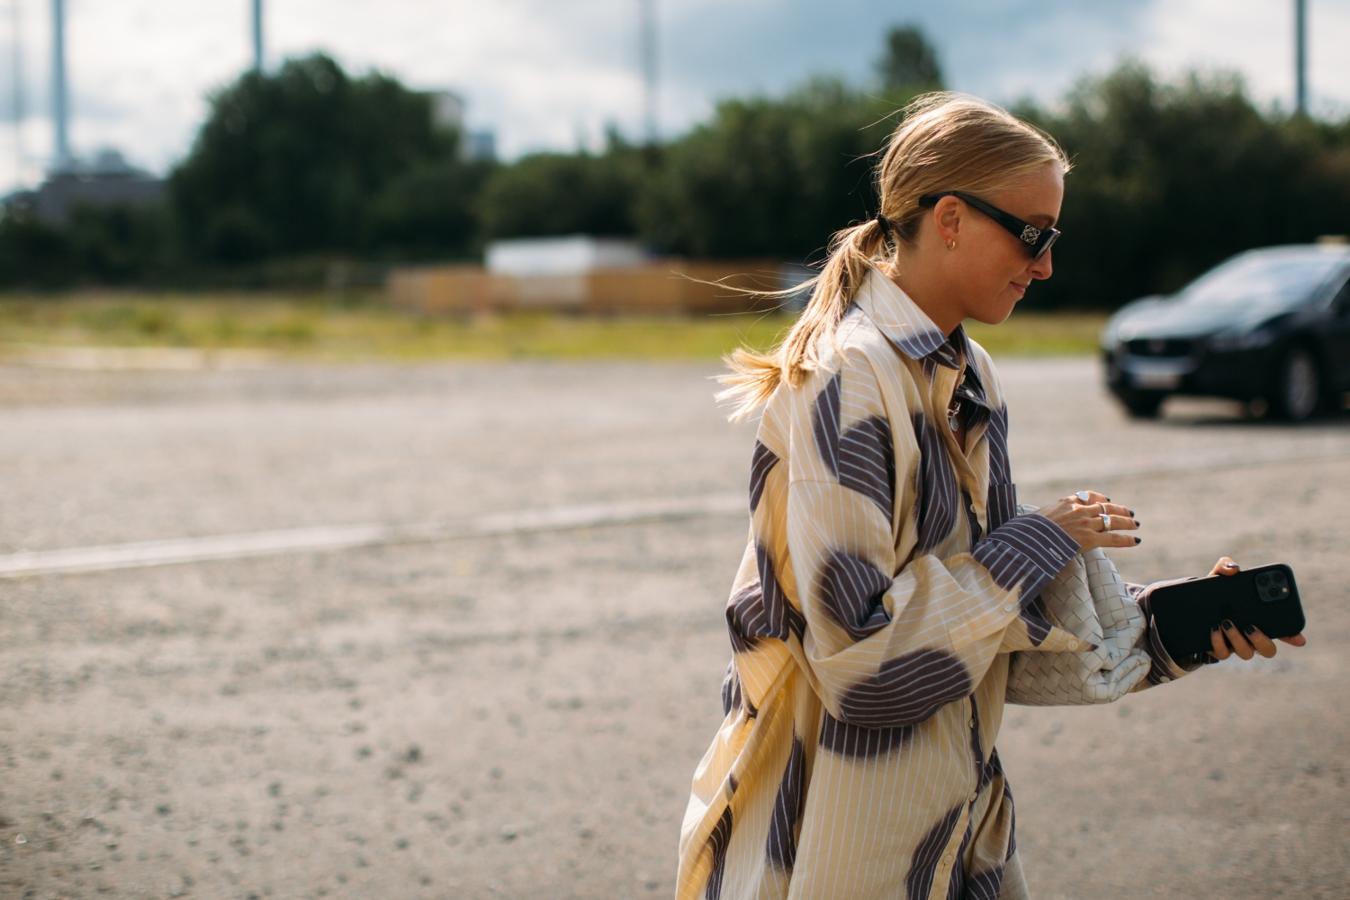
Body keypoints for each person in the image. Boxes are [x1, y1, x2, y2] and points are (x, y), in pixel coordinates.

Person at [674, 91, 1306, 900]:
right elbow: (866, 672)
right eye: (1032, 234)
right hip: (836, 845)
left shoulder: (971, 374)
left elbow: (986, 641)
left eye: (1053, 238)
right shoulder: (848, 377)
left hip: (961, 835)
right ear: (949, 219)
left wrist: (1167, 632)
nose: (1045, 264)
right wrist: (1038, 539)